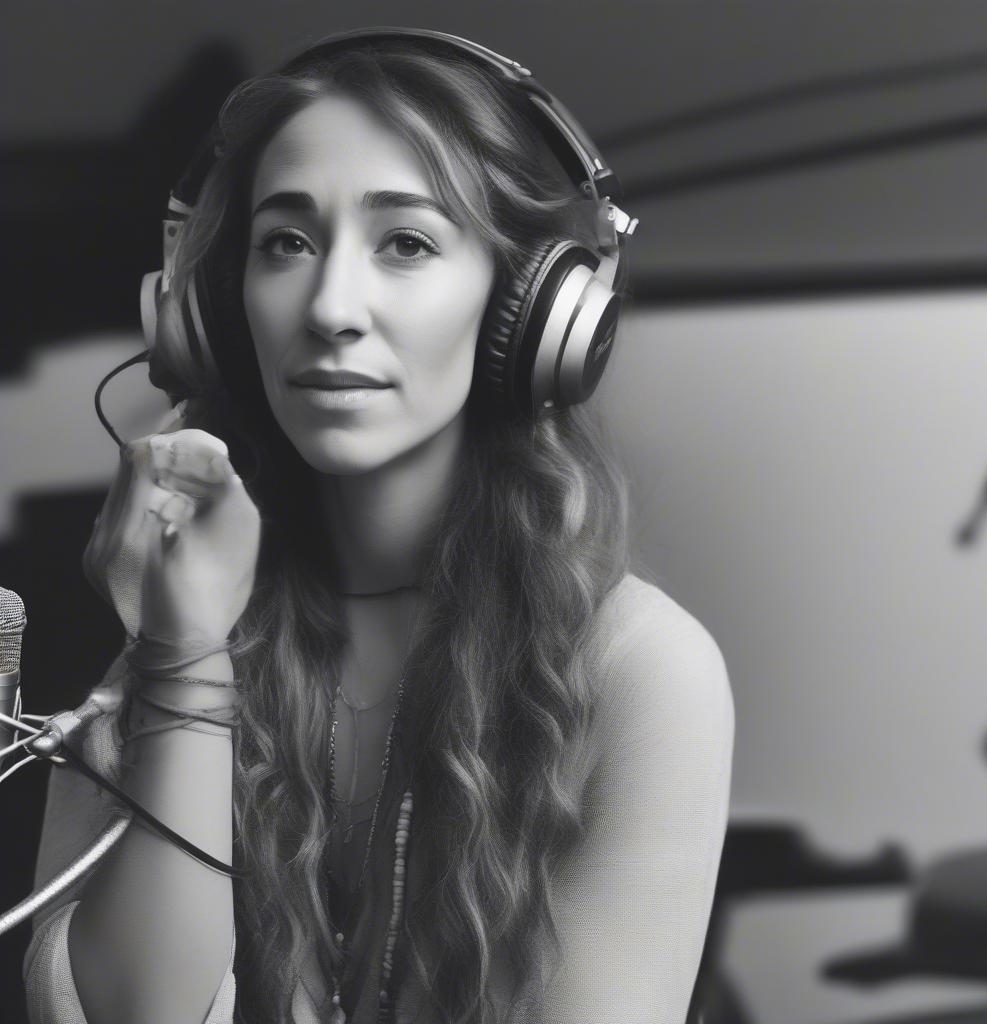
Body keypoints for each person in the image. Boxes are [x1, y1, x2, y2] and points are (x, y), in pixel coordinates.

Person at [23, 30, 734, 1024]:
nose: (329, 307)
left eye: (405, 241)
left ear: (533, 314)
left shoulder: (640, 667)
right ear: (213, 310)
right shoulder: (169, 615)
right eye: (286, 242)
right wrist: (183, 658)